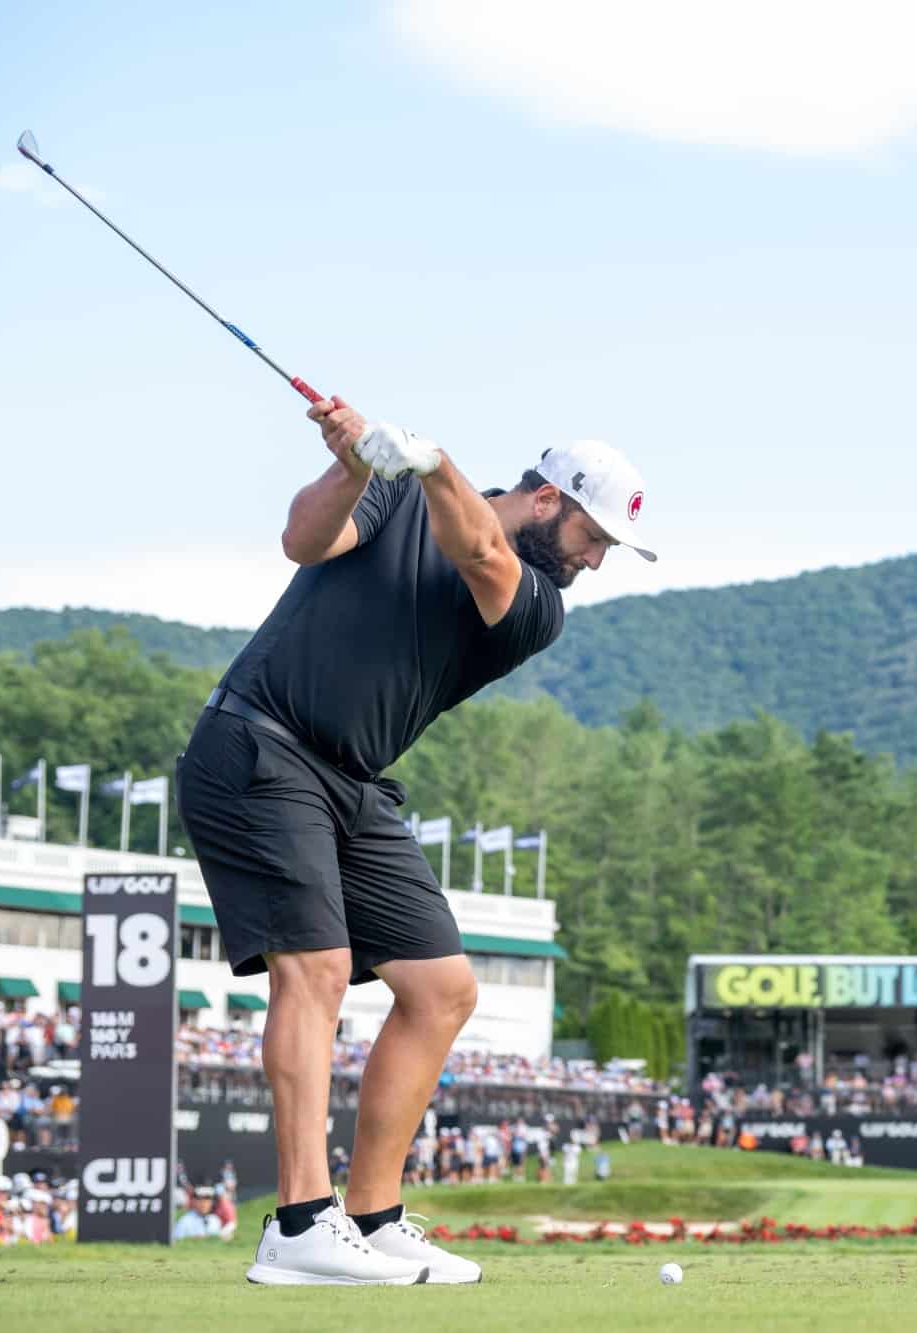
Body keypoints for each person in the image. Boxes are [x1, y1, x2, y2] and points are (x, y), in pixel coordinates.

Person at [175, 397, 656, 1287]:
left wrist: (431, 462)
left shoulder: (539, 603)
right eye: (595, 536)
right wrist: (357, 462)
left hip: (353, 782)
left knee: (441, 990)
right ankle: (300, 1224)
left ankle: (371, 1216)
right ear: (549, 498)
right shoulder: (394, 497)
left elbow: (478, 549)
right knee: (314, 968)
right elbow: (304, 541)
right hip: (259, 741)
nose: (596, 560)